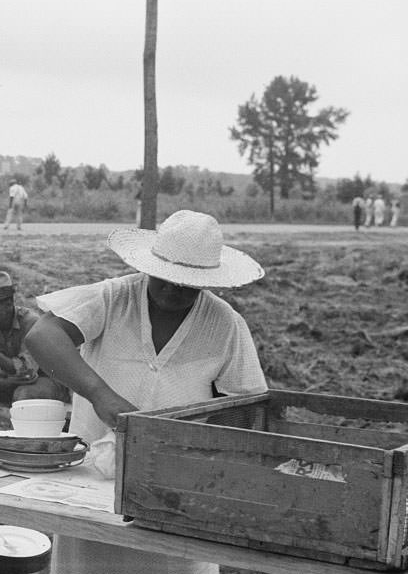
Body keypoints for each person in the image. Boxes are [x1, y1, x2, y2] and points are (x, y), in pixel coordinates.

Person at [25, 210, 268, 574]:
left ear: (206, 280)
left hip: (175, 489)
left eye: (186, 285)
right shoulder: (113, 298)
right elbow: (42, 336)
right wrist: (100, 394)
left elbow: (247, 406)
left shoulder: (225, 323)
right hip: (96, 479)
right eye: (165, 279)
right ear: (149, 266)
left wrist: (196, 449)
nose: (172, 290)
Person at [0, 271, 70, 407]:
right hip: (7, 382)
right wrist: (3, 383)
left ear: (8, 304)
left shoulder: (30, 322)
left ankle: (24, 428)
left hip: (44, 380)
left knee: (24, 395)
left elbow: (26, 372)